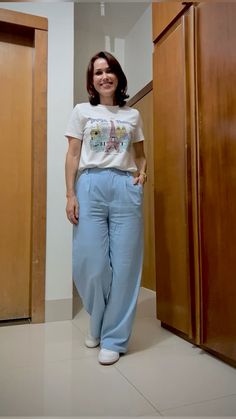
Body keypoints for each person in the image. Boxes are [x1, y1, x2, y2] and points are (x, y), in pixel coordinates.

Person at [64, 51, 147, 365]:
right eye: (98, 72)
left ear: (118, 76)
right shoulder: (82, 111)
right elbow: (73, 155)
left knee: (125, 266)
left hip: (125, 188)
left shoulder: (133, 115)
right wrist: (70, 194)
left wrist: (143, 174)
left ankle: (114, 337)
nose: (104, 76)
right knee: (92, 265)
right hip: (90, 186)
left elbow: (140, 154)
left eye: (110, 70)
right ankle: (97, 319)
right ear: (92, 80)